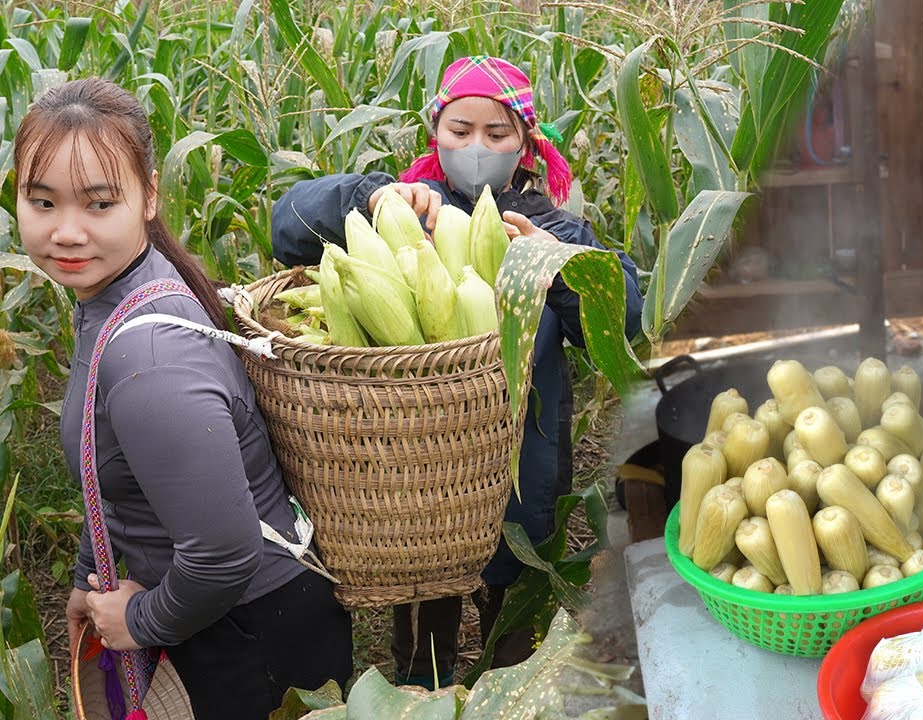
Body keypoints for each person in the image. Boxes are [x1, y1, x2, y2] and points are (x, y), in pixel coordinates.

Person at [271, 54, 644, 687]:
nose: (477, 147)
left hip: (523, 466)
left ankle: (508, 673)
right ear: (435, 134)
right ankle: (423, 684)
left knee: (513, 627)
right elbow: (290, 226)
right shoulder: (412, 208)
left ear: (526, 141)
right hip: (423, 477)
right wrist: (372, 196)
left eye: (497, 135)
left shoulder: (554, 226)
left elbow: (623, 316)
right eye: (460, 131)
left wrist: (560, 266)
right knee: (425, 636)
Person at [17, 78, 353, 719]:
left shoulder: (150, 362)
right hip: (217, 613)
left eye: (97, 204)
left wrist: (138, 620)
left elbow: (225, 557)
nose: (66, 231)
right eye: (42, 202)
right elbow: (114, 473)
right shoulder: (117, 294)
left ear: (148, 197)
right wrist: (92, 582)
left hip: (252, 639)